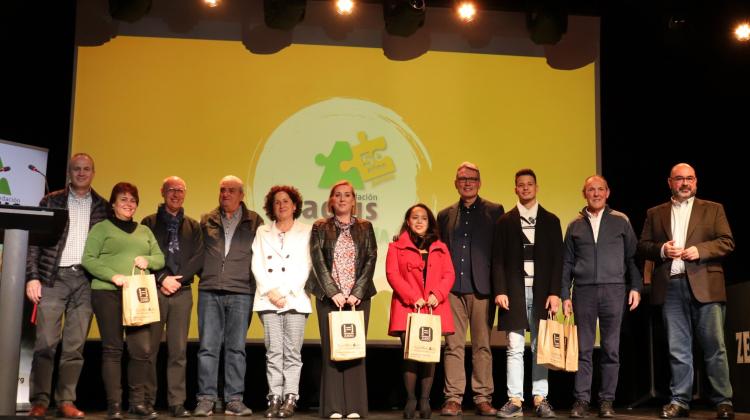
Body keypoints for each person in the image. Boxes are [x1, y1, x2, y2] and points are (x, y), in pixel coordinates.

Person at [638, 163, 735, 420]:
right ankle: (680, 400)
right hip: (671, 286)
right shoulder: (655, 213)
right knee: (677, 348)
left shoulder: (713, 209)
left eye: (689, 178)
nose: (685, 183)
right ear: (669, 182)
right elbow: (643, 246)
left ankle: (723, 401)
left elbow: (727, 242)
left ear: (696, 182)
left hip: (705, 286)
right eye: (679, 179)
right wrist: (661, 250)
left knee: (715, 347)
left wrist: (700, 251)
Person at [25, 153, 109, 419]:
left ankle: (66, 400)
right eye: (77, 169)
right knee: (46, 343)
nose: (82, 173)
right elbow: (34, 242)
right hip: (53, 278)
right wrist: (32, 276)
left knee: (75, 347)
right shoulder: (52, 201)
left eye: (86, 169)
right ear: (69, 173)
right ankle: (39, 401)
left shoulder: (103, 207)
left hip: (85, 281)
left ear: (93, 172)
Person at [82, 182, 165, 420]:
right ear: (113, 204)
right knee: (113, 349)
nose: (129, 204)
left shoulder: (144, 231)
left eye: (132, 200)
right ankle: (114, 405)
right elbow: (88, 259)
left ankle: (137, 403)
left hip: (136, 296)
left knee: (142, 350)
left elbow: (159, 257)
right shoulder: (101, 228)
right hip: (107, 293)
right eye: (123, 199)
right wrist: (113, 276)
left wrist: (148, 261)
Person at [561, 175, 641, 418]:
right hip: (583, 292)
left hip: (614, 291)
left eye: (600, 189)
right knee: (583, 349)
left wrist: (635, 287)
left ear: (608, 193)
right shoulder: (575, 224)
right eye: (590, 190)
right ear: (584, 193)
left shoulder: (621, 221)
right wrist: (565, 294)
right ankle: (582, 401)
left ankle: (606, 401)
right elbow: (567, 263)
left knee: (611, 349)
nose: (595, 194)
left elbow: (632, 258)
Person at [492, 169, 562, 418]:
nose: (525, 188)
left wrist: (555, 293)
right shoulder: (505, 221)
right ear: (515, 189)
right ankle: (515, 399)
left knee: (540, 347)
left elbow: (558, 261)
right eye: (520, 185)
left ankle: (540, 398)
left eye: (529, 184)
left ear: (536, 187)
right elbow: (497, 260)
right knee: (514, 346)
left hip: (542, 292)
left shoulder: (551, 221)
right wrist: (500, 290)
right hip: (514, 292)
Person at [193, 175, 263, 417]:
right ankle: (206, 399)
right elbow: (198, 253)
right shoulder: (207, 219)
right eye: (222, 190)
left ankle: (234, 399)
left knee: (236, 349)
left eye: (231, 190)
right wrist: (208, 275)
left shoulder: (255, 221)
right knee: (207, 348)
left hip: (242, 291)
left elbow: (262, 257)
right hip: (210, 290)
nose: (225, 194)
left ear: (241, 195)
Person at [437, 162, 503, 416]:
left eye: (472, 178)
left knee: (482, 346)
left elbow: (500, 253)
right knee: (453, 346)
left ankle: (482, 397)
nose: (467, 182)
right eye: (463, 178)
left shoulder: (495, 211)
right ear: (456, 183)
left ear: (479, 182)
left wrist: (500, 288)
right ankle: (453, 398)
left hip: (482, 289)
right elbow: (438, 252)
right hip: (452, 290)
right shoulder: (445, 215)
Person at [308, 180, 377, 419]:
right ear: (331, 200)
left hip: (359, 298)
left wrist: (357, 292)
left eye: (347, 195)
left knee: (355, 349)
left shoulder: (366, 227)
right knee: (332, 350)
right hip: (330, 298)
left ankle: (355, 407)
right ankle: (335, 407)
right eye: (337, 195)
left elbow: (371, 258)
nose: (342, 198)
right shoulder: (319, 226)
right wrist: (333, 292)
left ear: (354, 200)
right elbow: (317, 261)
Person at [141, 176, 204, 418]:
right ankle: (146, 401)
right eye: (171, 190)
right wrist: (162, 278)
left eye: (180, 190)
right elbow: (144, 253)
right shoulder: (148, 222)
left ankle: (177, 402)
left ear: (185, 194)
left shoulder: (193, 225)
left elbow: (199, 257)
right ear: (162, 192)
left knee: (178, 351)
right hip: (155, 290)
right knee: (149, 349)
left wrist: (176, 280)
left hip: (183, 292)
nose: (175, 194)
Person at [386, 203, 455, 419]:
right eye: (414, 217)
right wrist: (412, 296)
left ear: (429, 222)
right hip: (409, 307)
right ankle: (410, 399)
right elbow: (392, 274)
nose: (419, 221)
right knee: (411, 355)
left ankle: (425, 400)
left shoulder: (440, 246)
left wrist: (437, 294)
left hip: (433, 308)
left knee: (429, 356)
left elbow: (449, 274)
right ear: (408, 221)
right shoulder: (396, 247)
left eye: (423, 218)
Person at [252, 185, 312, 419]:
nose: (282, 205)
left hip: (295, 299)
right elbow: (256, 264)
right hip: (268, 300)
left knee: (292, 352)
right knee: (273, 351)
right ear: (271, 207)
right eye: (277, 202)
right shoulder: (261, 232)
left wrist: (286, 291)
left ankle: (291, 397)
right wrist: (271, 291)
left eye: (286, 201)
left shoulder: (306, 231)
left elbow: (307, 264)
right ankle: (274, 397)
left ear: (295, 205)